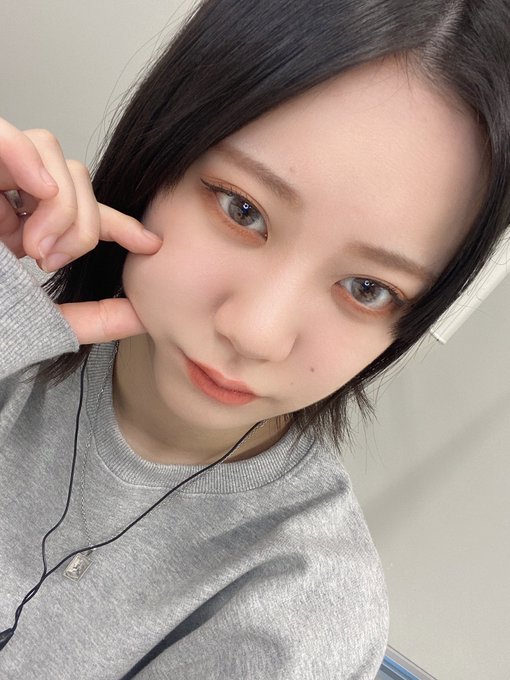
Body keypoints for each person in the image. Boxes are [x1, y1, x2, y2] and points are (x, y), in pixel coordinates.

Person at [0, 0, 509, 677]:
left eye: (367, 288)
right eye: (243, 210)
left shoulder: (298, 615)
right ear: (159, 151)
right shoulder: (17, 327)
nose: (256, 334)